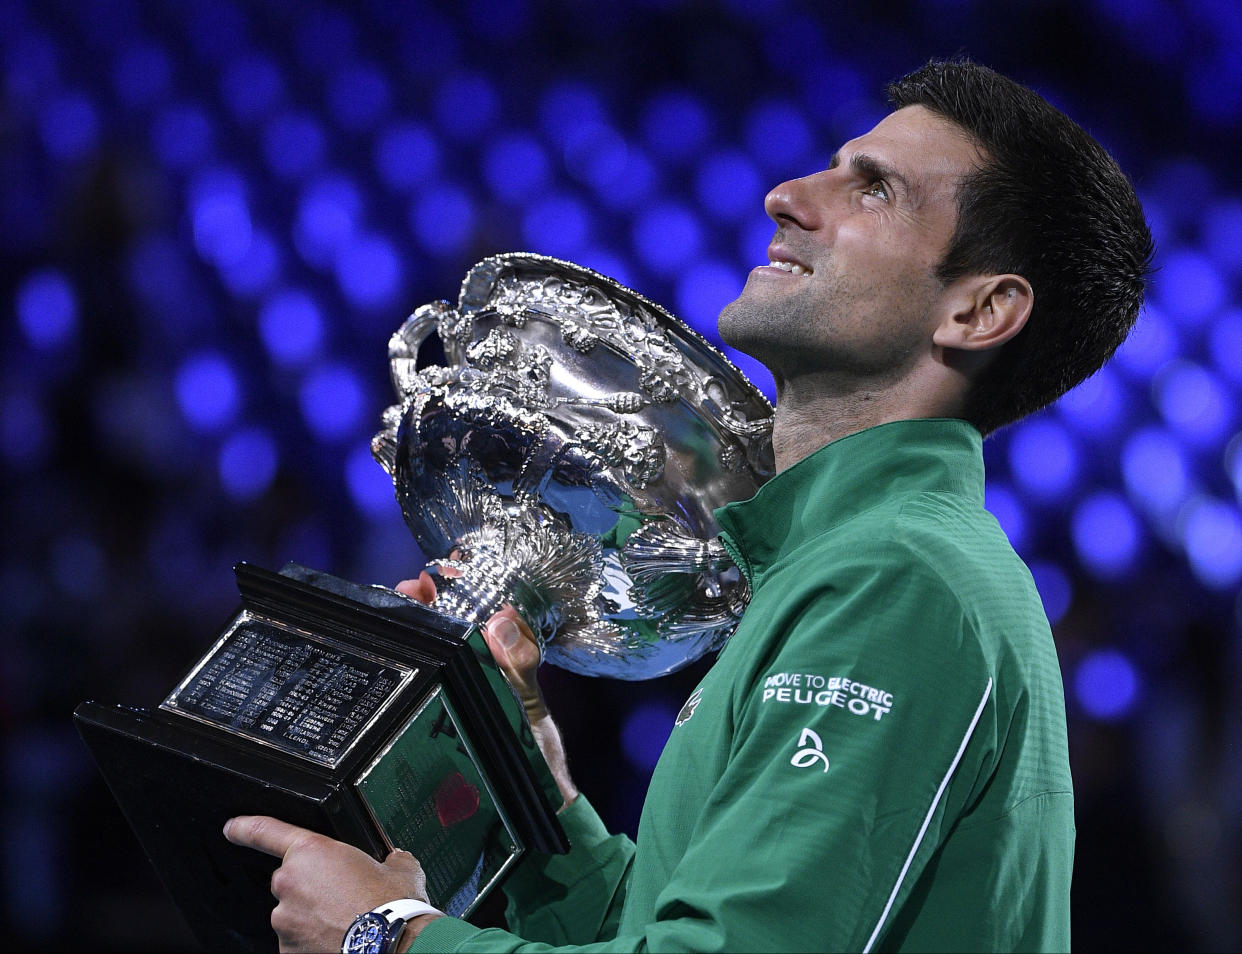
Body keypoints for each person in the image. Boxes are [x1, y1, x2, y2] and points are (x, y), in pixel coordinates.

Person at [224, 58, 1152, 952]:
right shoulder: (832, 564)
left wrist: (387, 939)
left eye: (873, 189)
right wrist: (540, 794)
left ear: (980, 311)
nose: (787, 196)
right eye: (832, 165)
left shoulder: (899, 578)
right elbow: (670, 932)